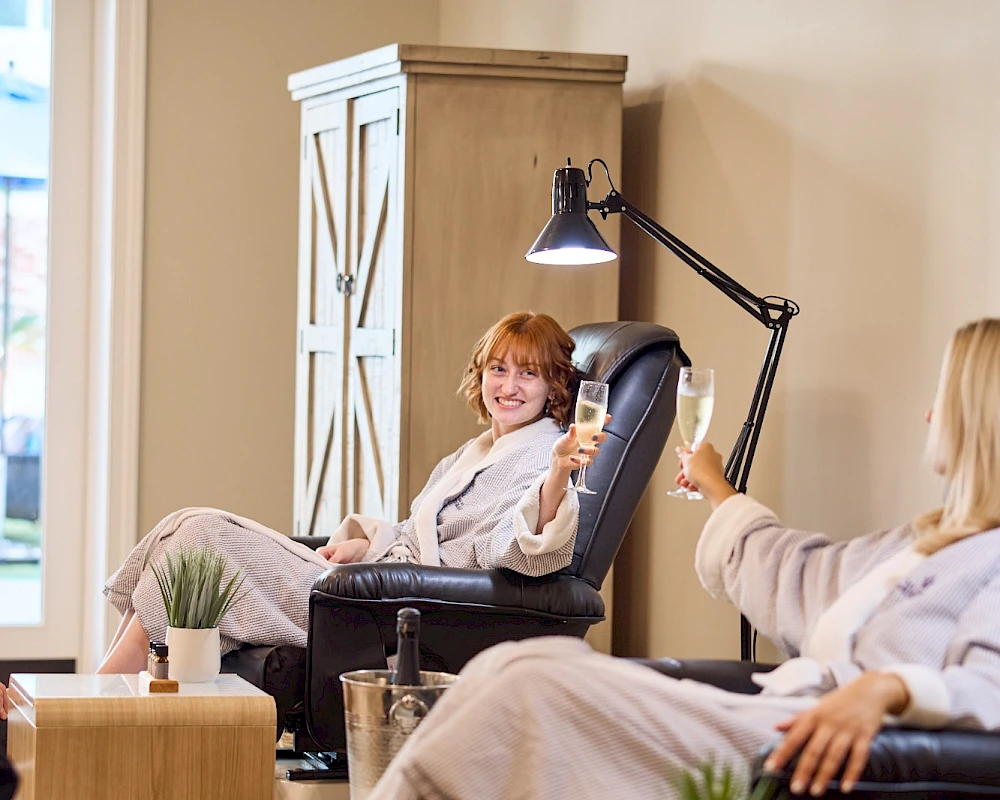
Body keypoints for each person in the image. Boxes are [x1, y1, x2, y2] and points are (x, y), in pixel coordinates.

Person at [367, 317, 1000, 800]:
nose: (927, 414)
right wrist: (718, 488)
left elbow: (990, 687)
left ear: (981, 417)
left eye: (942, 397)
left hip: (802, 741)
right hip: (780, 710)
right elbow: (802, 575)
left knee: (536, 685)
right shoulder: (923, 545)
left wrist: (888, 690)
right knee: (521, 660)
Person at [95, 311, 610, 674]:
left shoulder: (545, 453)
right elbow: (416, 531)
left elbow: (525, 551)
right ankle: (102, 694)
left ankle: (95, 699)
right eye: (499, 368)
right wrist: (369, 544)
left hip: (398, 610)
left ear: (554, 387)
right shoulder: (472, 453)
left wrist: (558, 475)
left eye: (529, 373)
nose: (509, 385)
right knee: (185, 525)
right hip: (376, 582)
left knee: (201, 538)